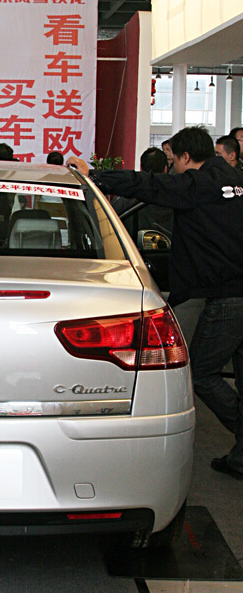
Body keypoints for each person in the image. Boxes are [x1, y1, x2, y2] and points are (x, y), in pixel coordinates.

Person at [68, 126, 243, 481]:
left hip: (228, 298)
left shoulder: (198, 184)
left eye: (172, 160)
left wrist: (95, 176)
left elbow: (149, 185)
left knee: (202, 373)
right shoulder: (235, 180)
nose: (172, 168)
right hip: (236, 291)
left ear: (185, 157)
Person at [111, 147, 173, 239]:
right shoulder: (178, 200)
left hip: (130, 247)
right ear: (165, 169)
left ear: (140, 168)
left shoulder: (122, 200)